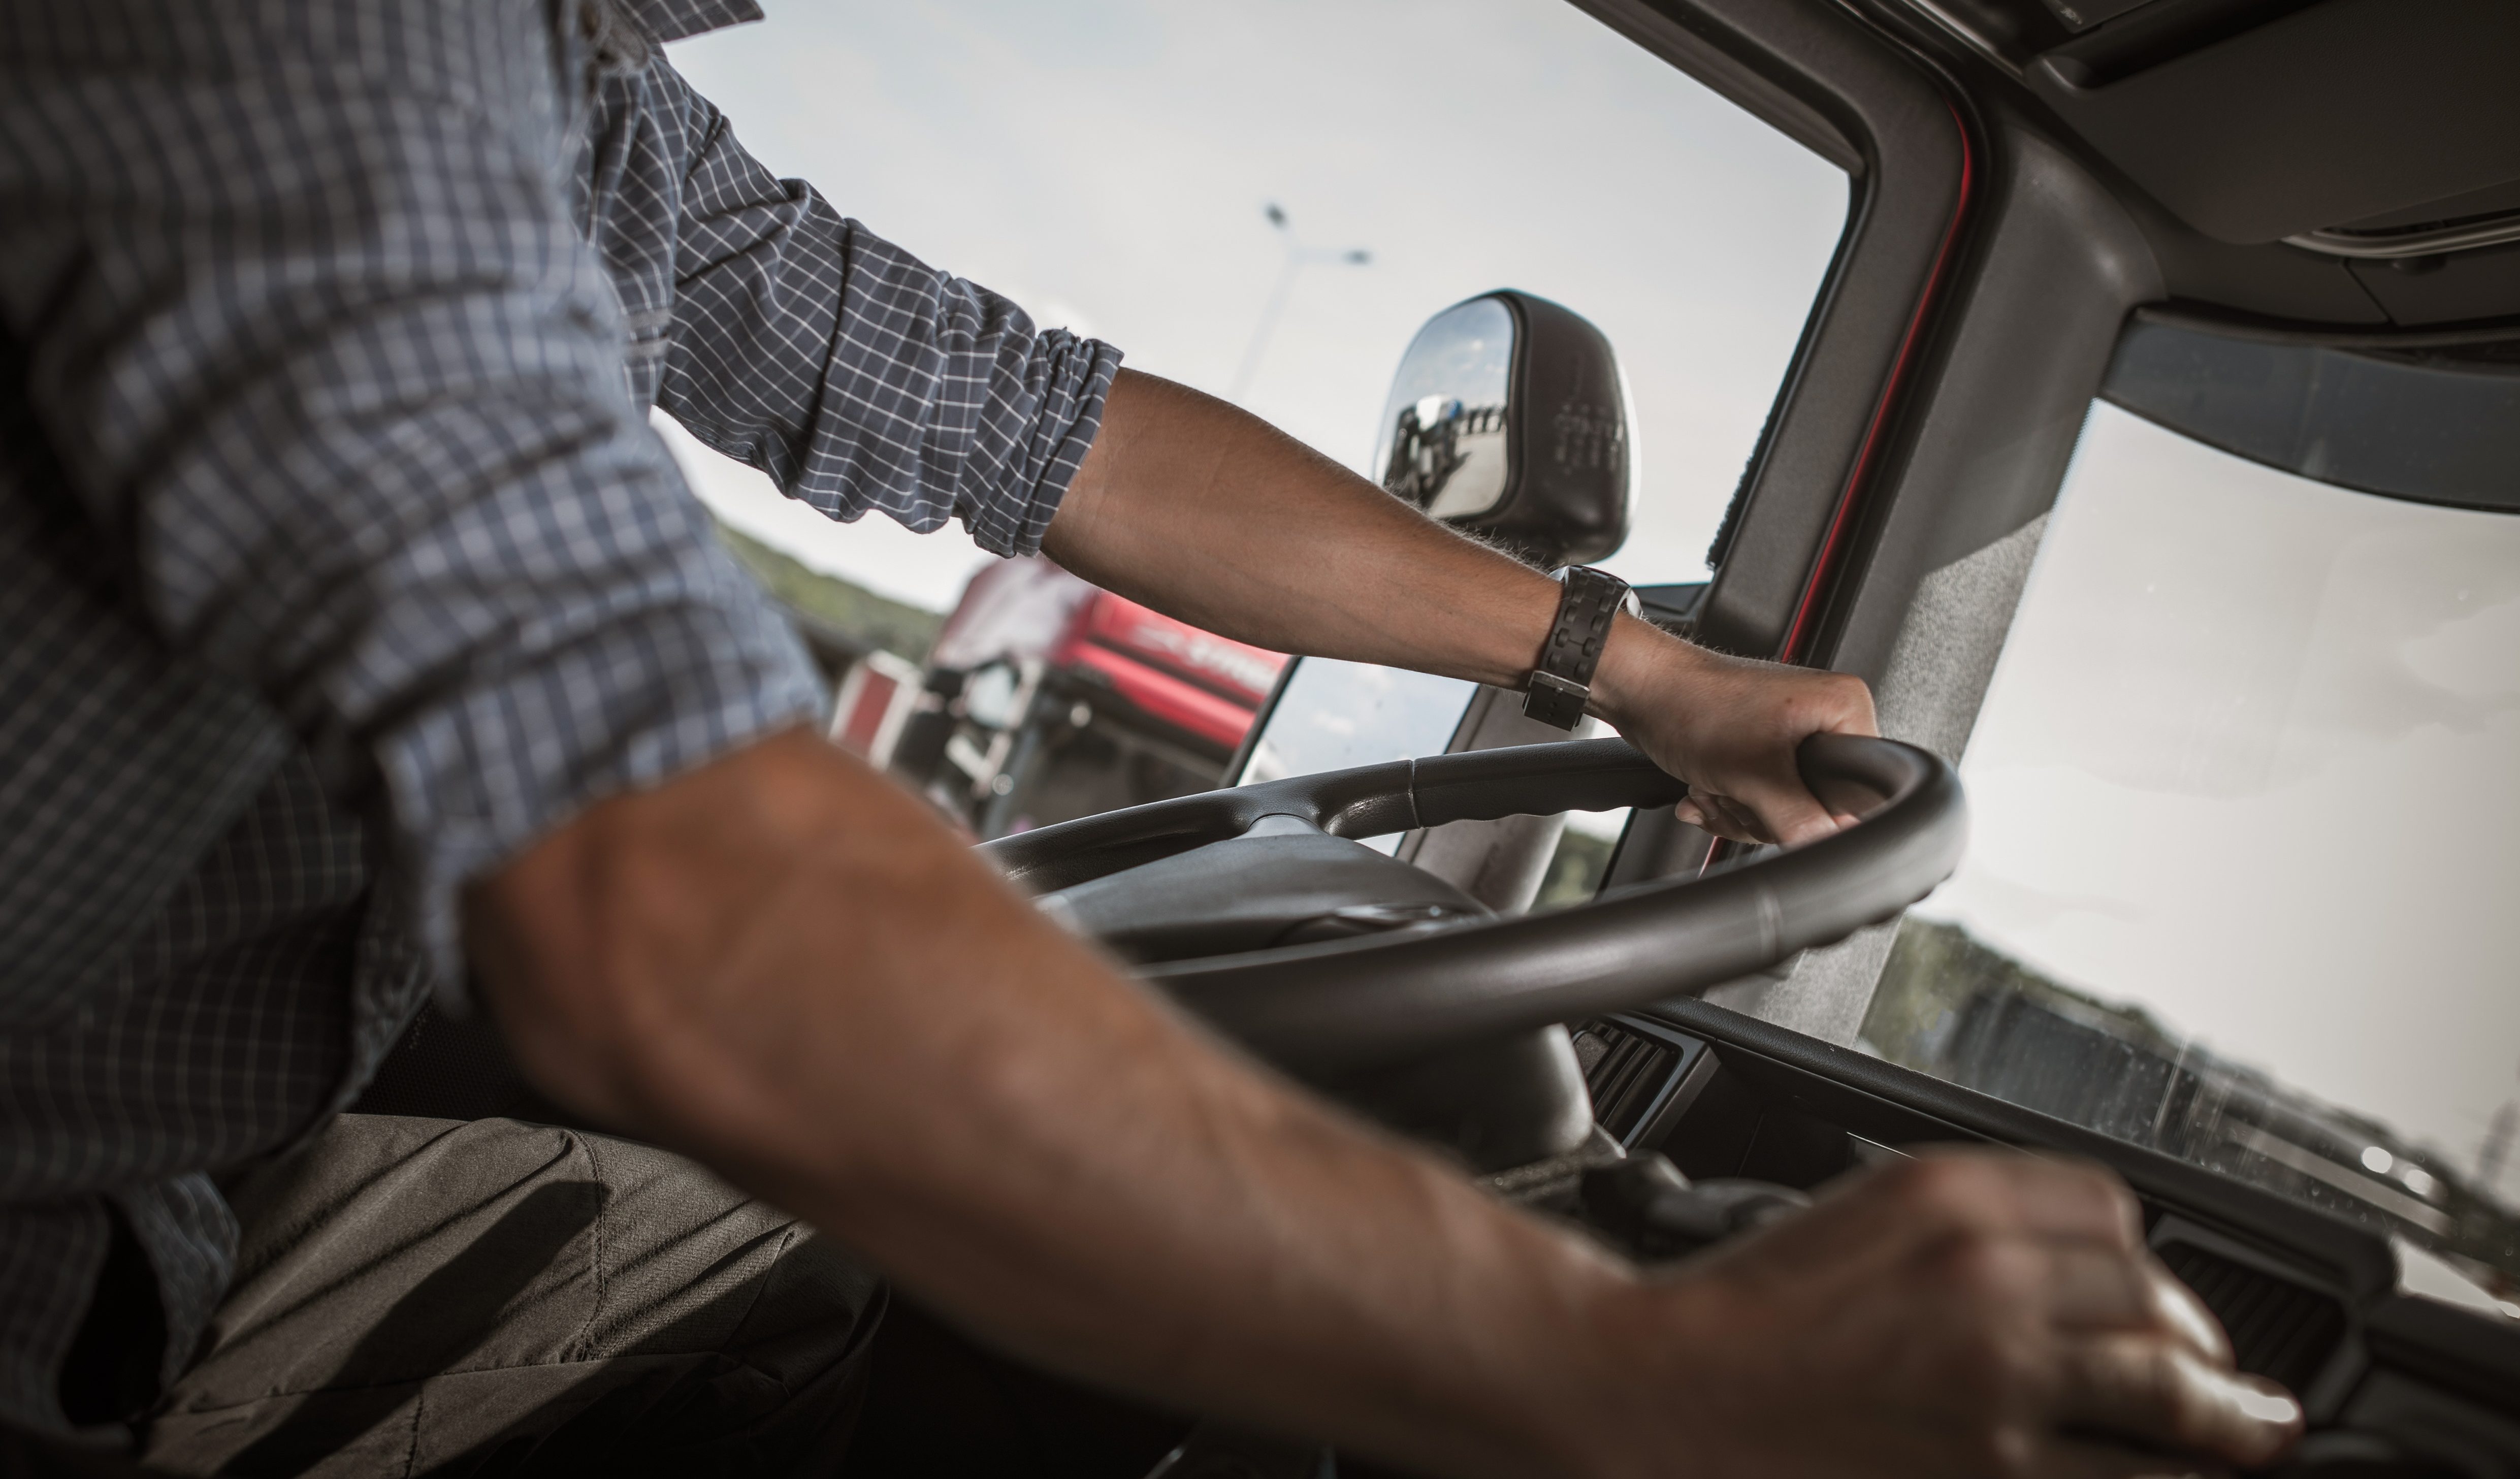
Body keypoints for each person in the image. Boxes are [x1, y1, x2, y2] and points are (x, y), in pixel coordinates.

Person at [0, 1, 2304, 1474]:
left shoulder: (581, 114)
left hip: (194, 1185)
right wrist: (1645, 1375)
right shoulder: (296, 45)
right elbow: (667, 888)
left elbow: (1037, 423)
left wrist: (1632, 668)